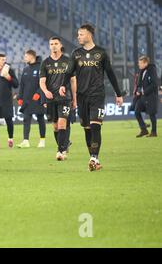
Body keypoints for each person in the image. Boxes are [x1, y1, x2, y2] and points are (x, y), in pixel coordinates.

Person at [60, 24, 123, 171]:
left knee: (95, 126)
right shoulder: (76, 54)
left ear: (89, 35)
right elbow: (68, 72)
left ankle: (93, 157)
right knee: (87, 129)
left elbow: (110, 74)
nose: (78, 36)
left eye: (81, 34)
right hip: (82, 96)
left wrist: (118, 93)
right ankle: (95, 160)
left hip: (97, 95)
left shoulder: (101, 53)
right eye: (78, 34)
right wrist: (63, 85)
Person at [39, 37, 77, 161]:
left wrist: (74, 99)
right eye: (51, 44)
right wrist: (45, 92)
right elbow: (42, 81)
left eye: (56, 43)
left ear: (60, 45)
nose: (54, 46)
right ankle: (64, 145)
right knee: (55, 126)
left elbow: (73, 81)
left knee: (62, 123)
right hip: (51, 99)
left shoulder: (68, 61)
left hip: (65, 98)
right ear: (49, 46)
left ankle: (60, 151)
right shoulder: (45, 63)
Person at [17, 49, 46, 148]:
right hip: (27, 100)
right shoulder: (25, 69)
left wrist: (39, 93)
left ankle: (42, 140)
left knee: (40, 119)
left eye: (26, 56)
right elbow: (22, 85)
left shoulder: (41, 67)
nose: (25, 58)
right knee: (26, 119)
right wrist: (20, 97)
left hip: (37, 99)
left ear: (31, 56)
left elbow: (43, 82)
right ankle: (26, 141)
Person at [134, 56, 158, 137]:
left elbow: (154, 84)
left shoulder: (152, 70)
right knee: (137, 111)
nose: (138, 64)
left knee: (152, 114)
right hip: (143, 96)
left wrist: (144, 91)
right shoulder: (142, 71)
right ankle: (144, 130)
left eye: (140, 63)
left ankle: (154, 132)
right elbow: (140, 83)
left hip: (151, 96)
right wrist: (138, 90)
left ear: (145, 63)